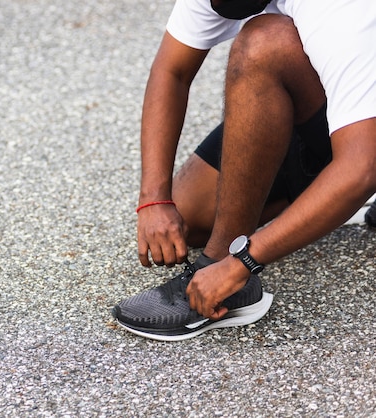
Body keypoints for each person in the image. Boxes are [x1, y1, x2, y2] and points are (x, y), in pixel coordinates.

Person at [112, 0, 376, 341]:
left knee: (264, 43)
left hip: (364, 130)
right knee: (189, 217)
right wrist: (154, 200)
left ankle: (225, 271)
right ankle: (327, 193)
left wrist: (242, 263)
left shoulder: (340, 12)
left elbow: (361, 167)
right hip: (342, 99)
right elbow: (171, 71)